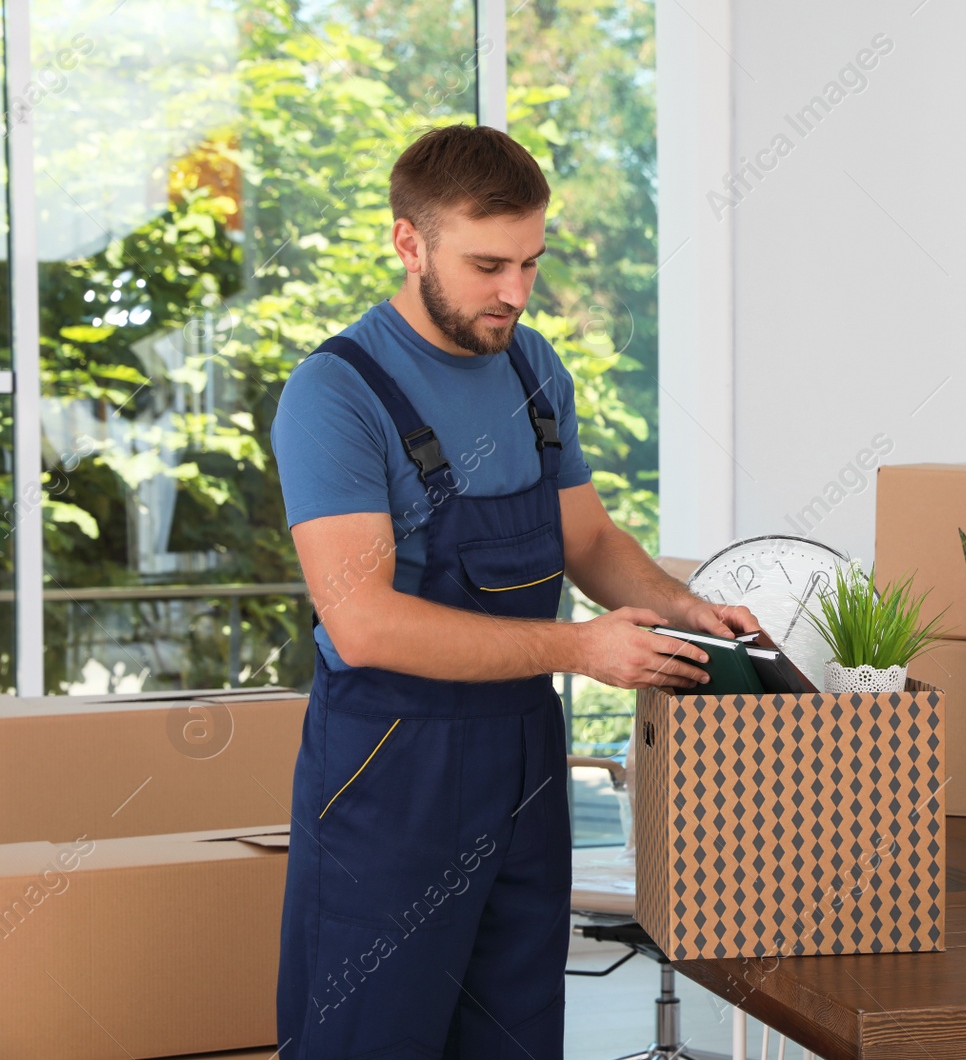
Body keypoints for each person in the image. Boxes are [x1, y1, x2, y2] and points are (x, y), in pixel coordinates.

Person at [270, 123, 758, 1059]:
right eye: (489, 264)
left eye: (532, 262)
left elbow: (590, 538)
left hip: (525, 766)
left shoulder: (534, 370)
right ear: (409, 242)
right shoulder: (336, 394)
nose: (515, 292)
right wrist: (583, 649)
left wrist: (681, 603)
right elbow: (361, 620)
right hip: (389, 771)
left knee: (517, 1035)